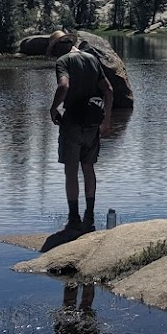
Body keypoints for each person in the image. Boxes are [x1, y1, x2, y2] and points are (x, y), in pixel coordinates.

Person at [47, 30, 113, 232]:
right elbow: (109, 90)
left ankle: (74, 217)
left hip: (73, 122)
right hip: (93, 123)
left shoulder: (64, 61)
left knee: (71, 171)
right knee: (88, 167)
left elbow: (63, 86)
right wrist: (106, 120)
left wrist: (53, 108)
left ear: (59, 47)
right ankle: (90, 215)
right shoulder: (92, 59)